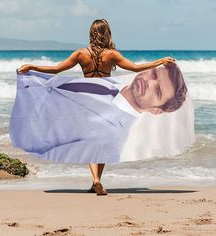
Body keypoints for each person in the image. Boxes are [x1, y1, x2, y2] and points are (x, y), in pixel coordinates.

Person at [17, 18, 175, 196]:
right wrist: (160, 61)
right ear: (107, 33)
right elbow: (135, 68)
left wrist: (32, 66)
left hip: (86, 100)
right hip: (107, 100)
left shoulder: (80, 54)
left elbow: (57, 69)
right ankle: (97, 180)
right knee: (103, 141)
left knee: (90, 141)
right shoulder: (112, 54)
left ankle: (96, 181)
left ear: (91, 34)